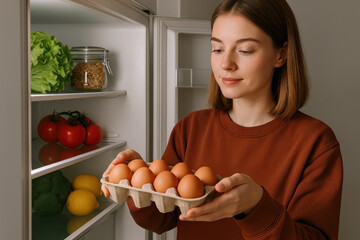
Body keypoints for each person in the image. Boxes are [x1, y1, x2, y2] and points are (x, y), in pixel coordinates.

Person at [102, 0, 343, 239]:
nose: (225, 64)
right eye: (217, 49)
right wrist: (138, 184)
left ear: (281, 54)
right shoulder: (190, 128)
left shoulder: (316, 142)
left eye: (245, 50)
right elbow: (162, 220)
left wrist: (256, 207)